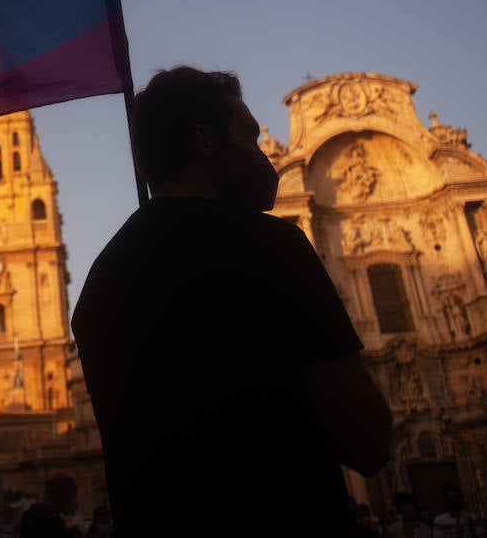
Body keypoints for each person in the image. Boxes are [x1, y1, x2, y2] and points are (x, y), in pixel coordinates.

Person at [71, 67, 392, 536]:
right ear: (206, 141)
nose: (264, 156)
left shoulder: (100, 283)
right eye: (250, 137)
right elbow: (367, 442)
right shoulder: (271, 247)